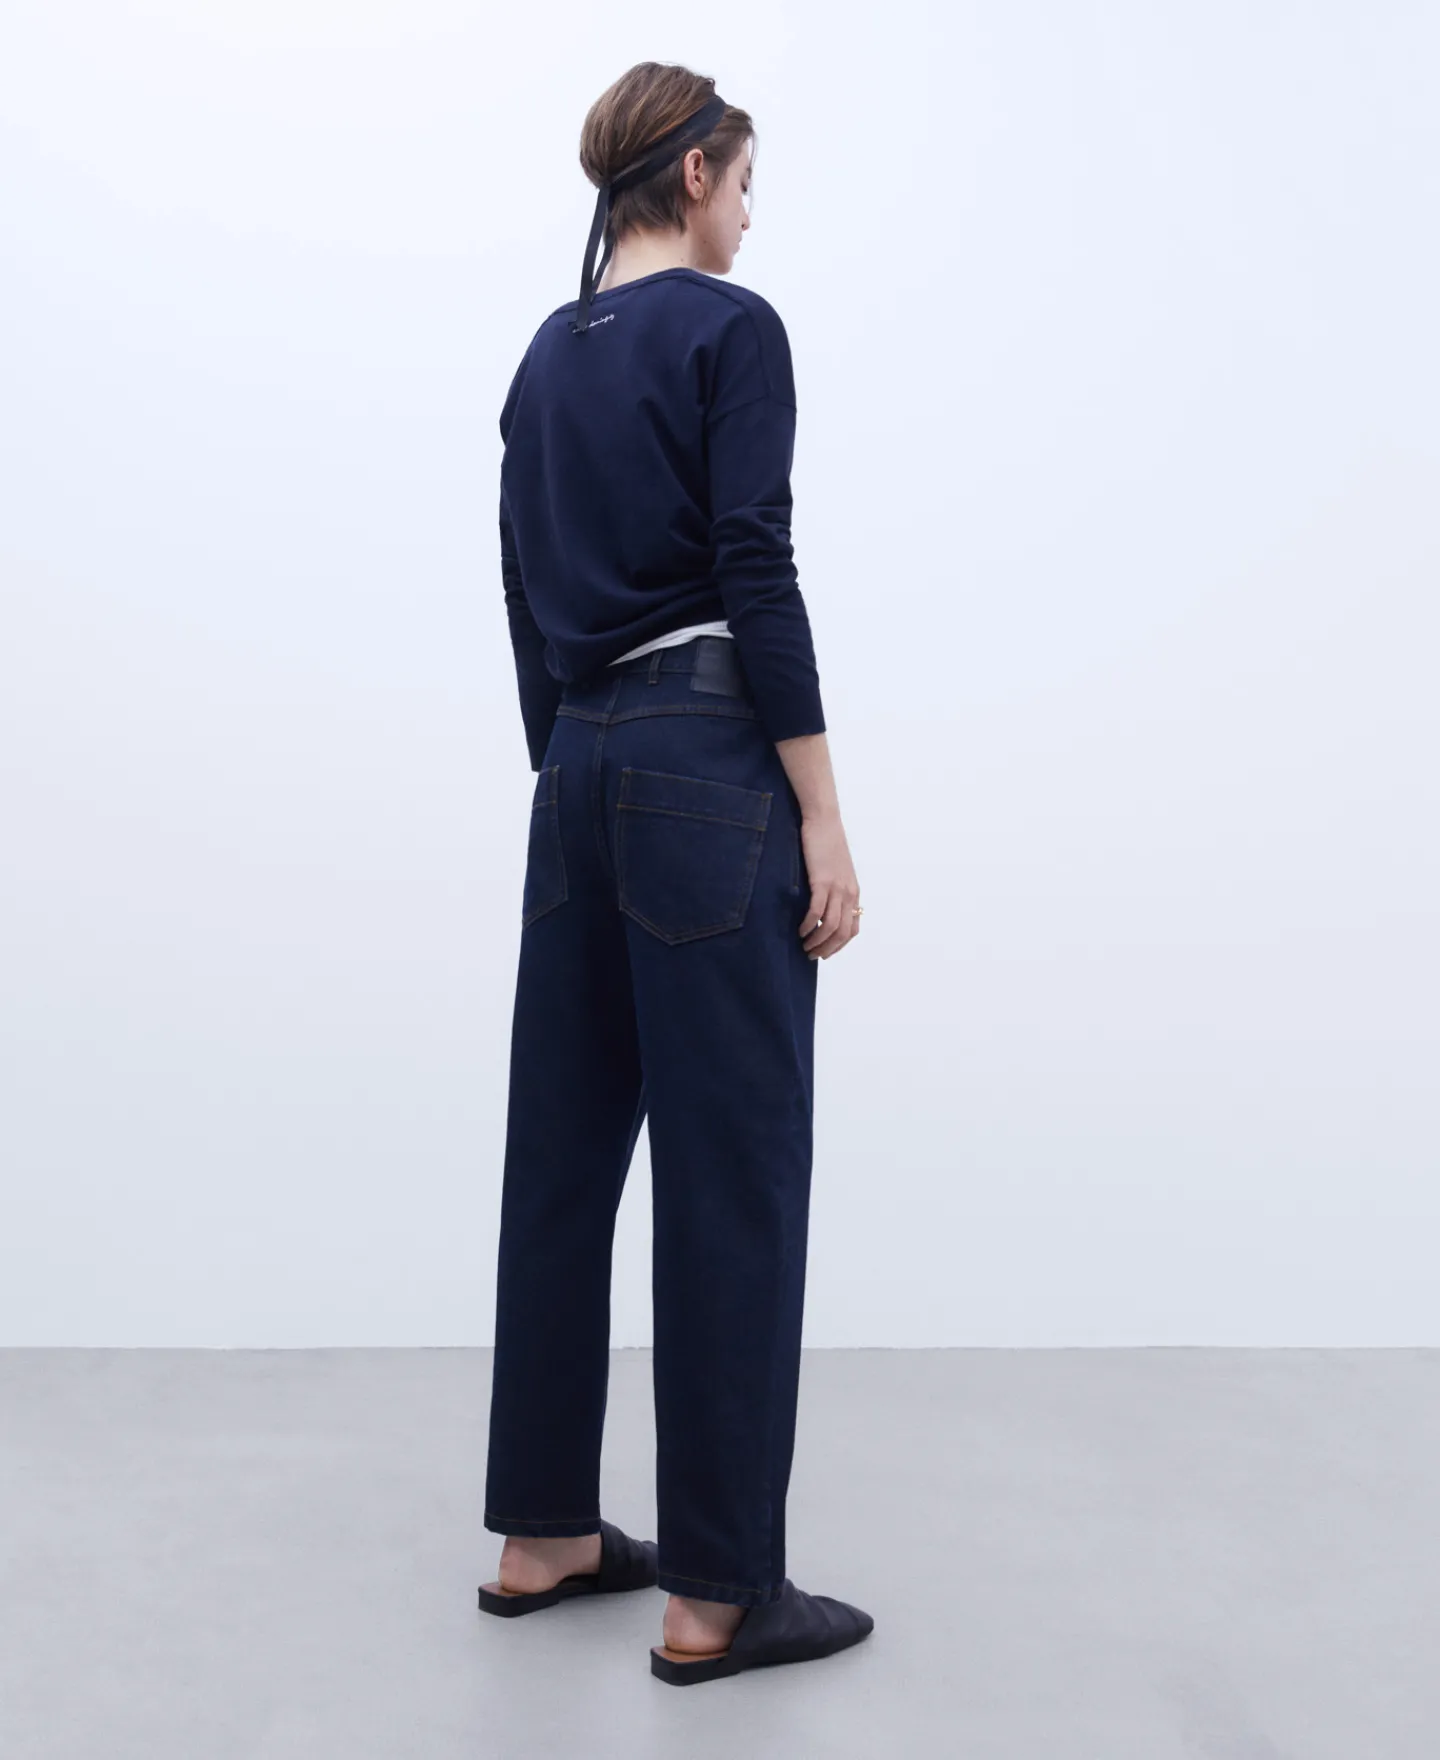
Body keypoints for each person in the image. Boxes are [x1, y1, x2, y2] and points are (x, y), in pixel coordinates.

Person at [475, 61, 874, 1687]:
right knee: (733, 1172)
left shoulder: (541, 353)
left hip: (575, 769)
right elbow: (755, 566)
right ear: (697, 172)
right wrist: (821, 815)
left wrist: (570, 760)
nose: (751, 217)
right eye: (747, 183)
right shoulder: (733, 330)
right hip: (710, 764)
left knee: (560, 1163)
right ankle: (717, 1593)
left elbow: (518, 580)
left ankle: (540, 1533)